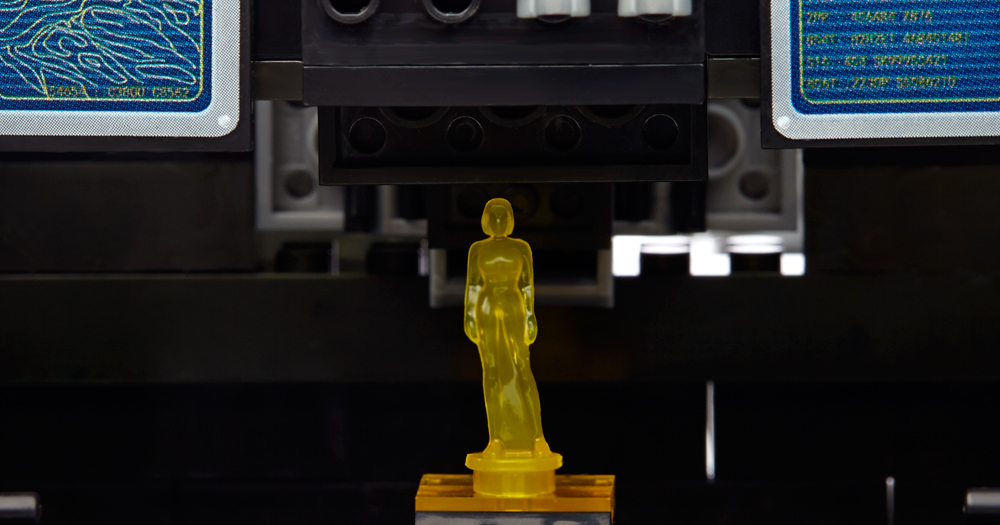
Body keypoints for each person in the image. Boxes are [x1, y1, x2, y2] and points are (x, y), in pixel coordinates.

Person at [464, 198, 553, 458]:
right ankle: (497, 438)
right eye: (494, 216)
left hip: (514, 305)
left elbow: (527, 285)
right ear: (486, 219)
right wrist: (469, 316)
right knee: (492, 371)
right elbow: (473, 285)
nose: (498, 222)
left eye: (503, 216)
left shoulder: (521, 247)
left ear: (511, 219)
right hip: (487, 307)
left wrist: (530, 316)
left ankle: (537, 437)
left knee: (522, 366)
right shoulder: (477, 249)